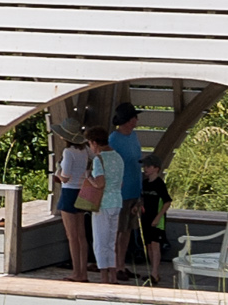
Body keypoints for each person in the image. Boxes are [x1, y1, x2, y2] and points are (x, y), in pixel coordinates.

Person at [99, 99, 152, 279]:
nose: (136, 121)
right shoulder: (114, 139)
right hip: (120, 192)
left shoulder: (134, 136)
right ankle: (114, 266)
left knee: (128, 229)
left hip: (134, 189)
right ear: (128, 120)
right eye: (134, 117)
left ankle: (121, 264)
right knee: (117, 230)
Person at [49, 106, 102, 277]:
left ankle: (76, 273)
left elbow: (64, 177)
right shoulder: (86, 150)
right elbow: (96, 159)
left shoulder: (68, 152)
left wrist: (56, 171)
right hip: (82, 190)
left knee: (72, 236)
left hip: (69, 192)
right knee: (81, 236)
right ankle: (83, 273)